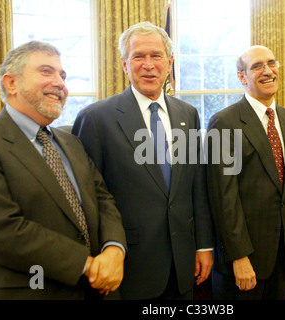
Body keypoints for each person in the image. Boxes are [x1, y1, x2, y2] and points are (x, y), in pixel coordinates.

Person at [0, 41, 127, 300]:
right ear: (11, 83)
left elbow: (103, 200)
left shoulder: (71, 142)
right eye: (46, 71)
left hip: (96, 292)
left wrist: (114, 249)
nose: (60, 83)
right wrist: (87, 265)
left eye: (62, 75)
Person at [72, 22, 215, 300]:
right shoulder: (96, 118)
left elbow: (196, 185)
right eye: (138, 56)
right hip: (128, 266)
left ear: (170, 62)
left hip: (183, 262)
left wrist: (203, 245)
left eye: (156, 56)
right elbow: (87, 198)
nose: (148, 65)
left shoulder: (188, 114)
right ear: (125, 64)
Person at [206, 45, 285, 300]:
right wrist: (238, 256)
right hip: (244, 260)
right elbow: (224, 198)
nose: (268, 71)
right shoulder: (224, 122)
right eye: (257, 66)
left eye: (272, 63)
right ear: (242, 76)